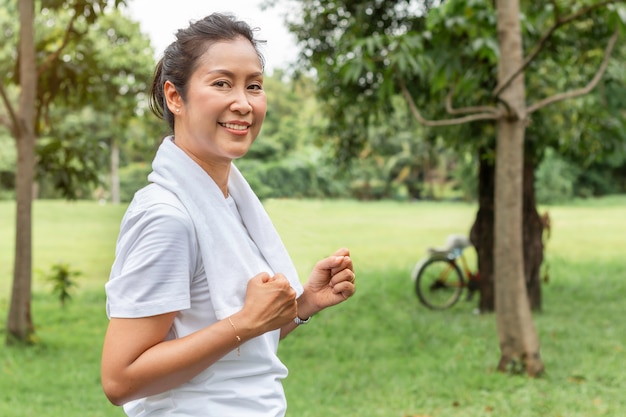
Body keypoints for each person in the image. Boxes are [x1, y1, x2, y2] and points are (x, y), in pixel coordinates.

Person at [100, 12, 356, 417]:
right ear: (174, 97)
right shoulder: (169, 216)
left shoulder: (229, 201)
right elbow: (120, 378)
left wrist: (305, 303)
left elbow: (237, 343)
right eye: (222, 83)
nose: (243, 103)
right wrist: (247, 322)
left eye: (254, 86)